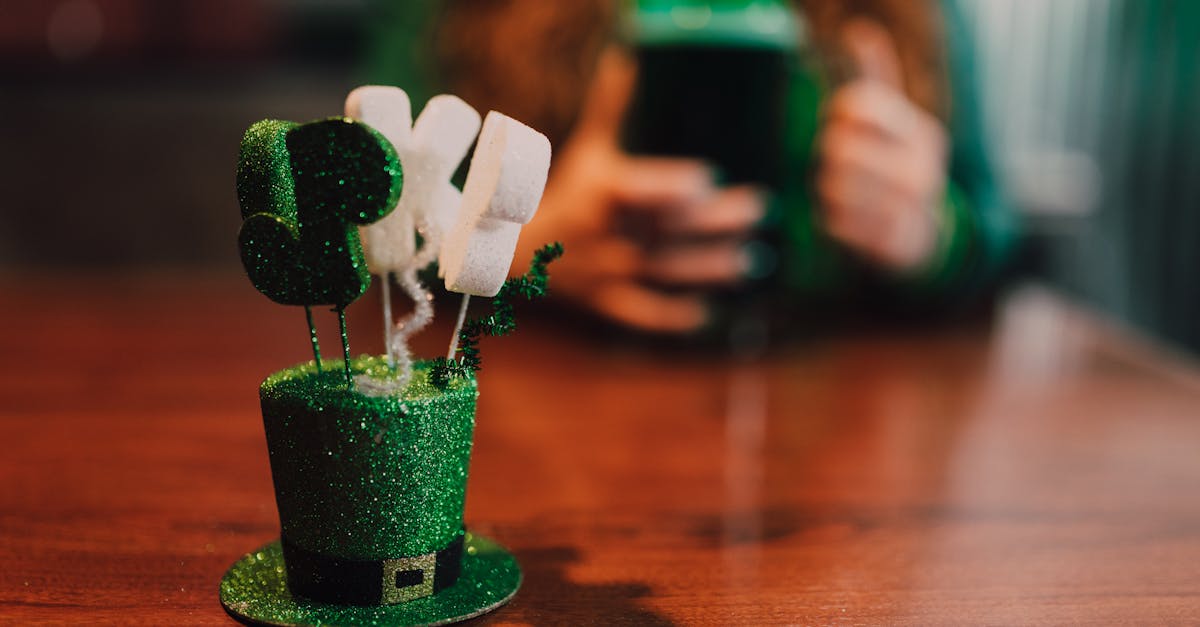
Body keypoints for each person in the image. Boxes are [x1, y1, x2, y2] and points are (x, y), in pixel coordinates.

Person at [366, 0, 1017, 334]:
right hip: (547, 407)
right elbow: (362, 199)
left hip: (841, 427)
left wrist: (931, 230)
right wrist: (512, 251)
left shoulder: (917, 16)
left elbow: (995, 225)